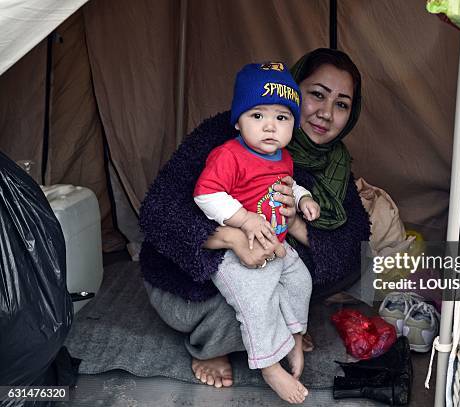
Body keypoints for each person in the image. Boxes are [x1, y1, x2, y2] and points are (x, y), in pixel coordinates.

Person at [139, 48, 370, 400]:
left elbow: (348, 247)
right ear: (294, 90)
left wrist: (294, 222)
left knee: (307, 279)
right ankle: (215, 347)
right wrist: (232, 238)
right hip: (195, 278)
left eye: (341, 104)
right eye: (317, 95)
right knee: (246, 303)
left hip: (270, 261)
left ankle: (282, 332)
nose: (325, 113)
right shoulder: (228, 135)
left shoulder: (333, 164)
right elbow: (158, 212)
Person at [192, 62, 320, 403]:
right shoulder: (229, 155)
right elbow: (206, 194)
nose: (270, 127)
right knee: (256, 302)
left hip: (276, 244)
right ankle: (268, 366)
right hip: (237, 251)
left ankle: (294, 336)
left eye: (282, 118)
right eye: (257, 115)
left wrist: (303, 198)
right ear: (238, 120)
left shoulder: (284, 158)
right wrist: (246, 220)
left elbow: (289, 187)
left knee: (300, 282)